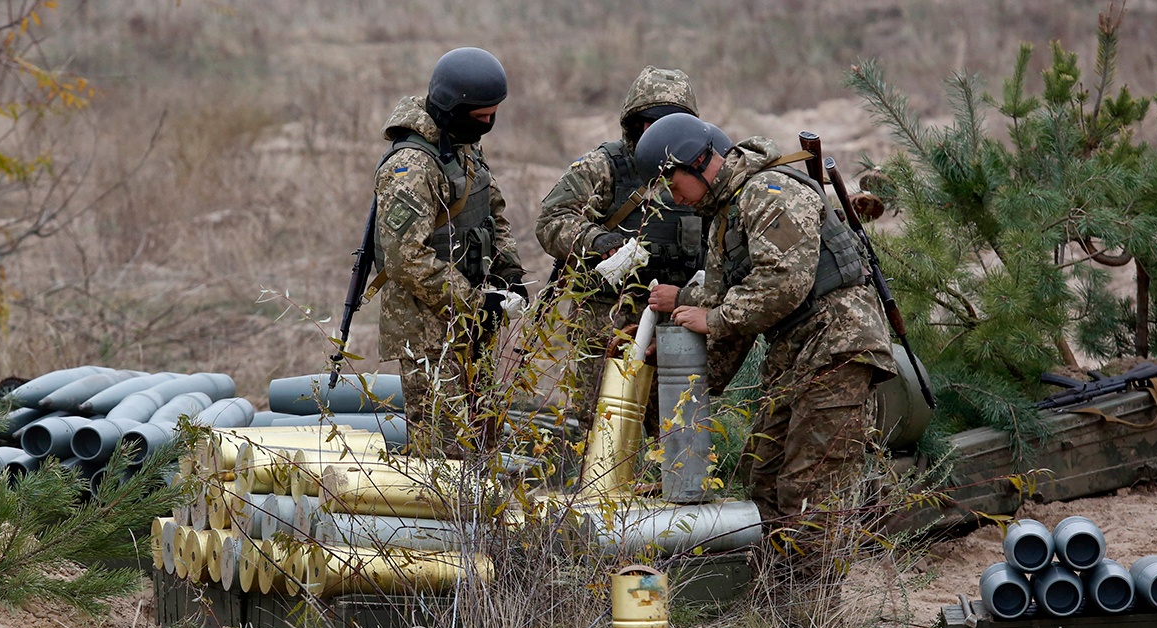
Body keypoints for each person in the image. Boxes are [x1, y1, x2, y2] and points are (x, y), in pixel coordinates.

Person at [635, 113, 897, 533]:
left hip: (836, 349)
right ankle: (774, 595)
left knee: (808, 497)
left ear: (696, 161)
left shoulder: (768, 192)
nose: (673, 197)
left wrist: (713, 318)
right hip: (797, 356)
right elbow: (727, 327)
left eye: (671, 182)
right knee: (764, 481)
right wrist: (669, 382)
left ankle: (809, 599)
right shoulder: (725, 218)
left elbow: (782, 284)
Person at [372, 47, 528, 458]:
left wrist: (510, 273)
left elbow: (492, 213)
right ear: (451, 109)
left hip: (470, 320)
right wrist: (477, 302)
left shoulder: (462, 144)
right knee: (445, 452)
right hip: (428, 332)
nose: (489, 125)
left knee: (483, 441)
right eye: (480, 118)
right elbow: (405, 258)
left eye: (494, 115)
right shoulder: (410, 167)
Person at [533, 66, 706, 434]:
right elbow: (552, 221)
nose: (654, 132)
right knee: (599, 431)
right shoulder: (604, 166)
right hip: (606, 323)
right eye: (647, 121)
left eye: (668, 123)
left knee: (678, 433)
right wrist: (598, 242)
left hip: (677, 322)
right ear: (633, 123)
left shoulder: (702, 169)